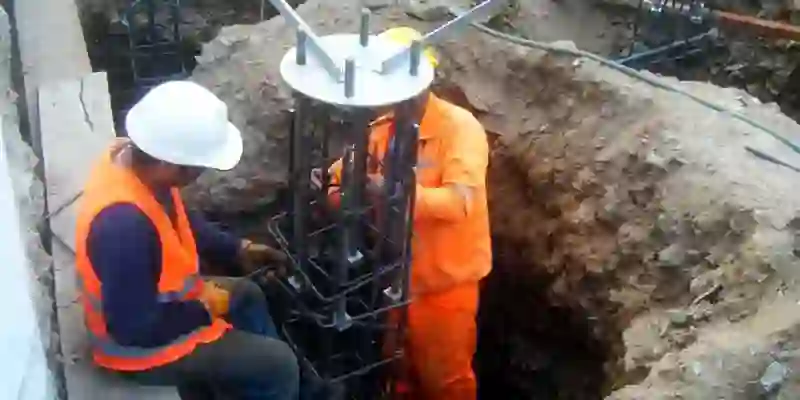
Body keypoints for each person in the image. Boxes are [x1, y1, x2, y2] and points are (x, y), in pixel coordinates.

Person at [74, 80, 299, 400]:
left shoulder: (137, 162)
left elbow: (178, 219)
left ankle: (245, 381)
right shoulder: (123, 227)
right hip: (137, 351)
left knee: (247, 293)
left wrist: (235, 248)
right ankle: (267, 379)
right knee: (280, 366)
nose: (201, 174)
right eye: (197, 168)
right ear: (168, 164)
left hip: (162, 306)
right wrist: (204, 308)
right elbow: (132, 328)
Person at [324, 27, 492, 400]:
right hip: (394, 279)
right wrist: (339, 193)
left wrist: (394, 192)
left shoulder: (459, 130)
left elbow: (458, 204)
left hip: (444, 286)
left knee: (445, 382)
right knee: (398, 371)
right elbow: (336, 183)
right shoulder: (382, 131)